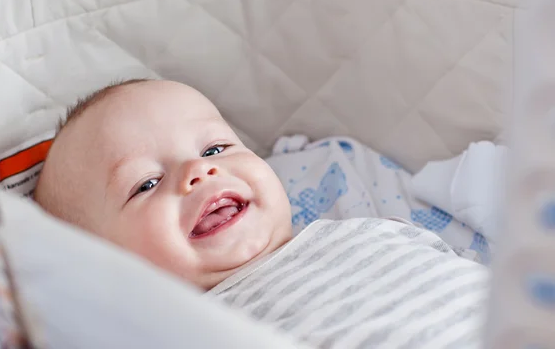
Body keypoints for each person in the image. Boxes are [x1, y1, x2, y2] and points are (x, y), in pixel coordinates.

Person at [35, 79, 487, 348]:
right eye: (146, 184)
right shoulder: (173, 332)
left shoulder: (372, 229)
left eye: (215, 148)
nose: (198, 171)